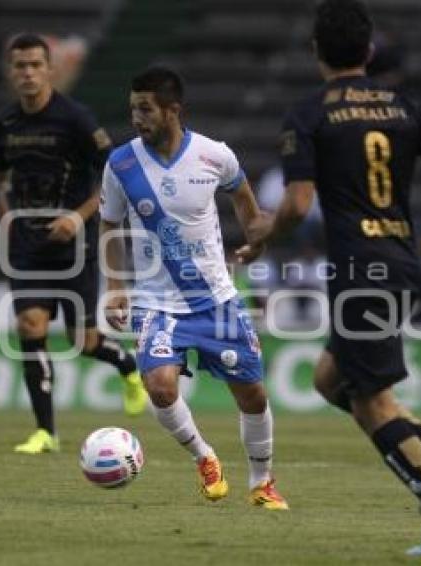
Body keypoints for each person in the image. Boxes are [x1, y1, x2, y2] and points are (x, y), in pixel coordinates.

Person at [240, 0, 421, 553]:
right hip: (400, 261)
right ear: (368, 51)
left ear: (316, 51)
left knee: (372, 401)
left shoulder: (310, 113)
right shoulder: (404, 105)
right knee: (329, 380)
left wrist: (261, 234)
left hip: (360, 269)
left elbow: (298, 206)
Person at [100, 66, 289, 510]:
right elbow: (108, 223)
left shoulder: (214, 156)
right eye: (132, 109)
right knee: (161, 388)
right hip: (155, 302)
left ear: (172, 110)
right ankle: (204, 457)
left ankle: (262, 482)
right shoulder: (121, 163)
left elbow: (243, 197)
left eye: (145, 109)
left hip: (216, 300)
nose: (137, 118)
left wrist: (254, 240)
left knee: (253, 394)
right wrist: (114, 287)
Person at [0, 33, 148, 455]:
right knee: (30, 327)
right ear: (11, 72)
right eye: (20, 66)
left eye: (35, 64)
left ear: (49, 69)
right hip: (27, 246)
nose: (27, 72)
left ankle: (127, 365)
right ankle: (45, 431)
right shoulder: (6, 123)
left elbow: (114, 173)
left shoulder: (76, 119)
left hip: (75, 246)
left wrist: (78, 216)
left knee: (81, 342)